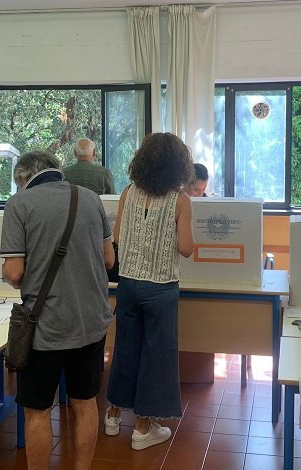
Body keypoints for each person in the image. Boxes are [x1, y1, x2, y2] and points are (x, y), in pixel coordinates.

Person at [1, 150, 114, 470]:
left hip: (44, 328)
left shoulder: (19, 204)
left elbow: (14, 273)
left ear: (23, 178)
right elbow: (109, 261)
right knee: (84, 402)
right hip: (91, 321)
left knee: (37, 410)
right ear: (56, 170)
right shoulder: (91, 199)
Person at [104, 132, 195, 450]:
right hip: (161, 289)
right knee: (157, 357)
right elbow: (185, 248)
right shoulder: (180, 200)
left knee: (126, 350)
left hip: (128, 285)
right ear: (177, 167)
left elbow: (115, 239)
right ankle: (143, 428)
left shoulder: (128, 193)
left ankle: (113, 414)